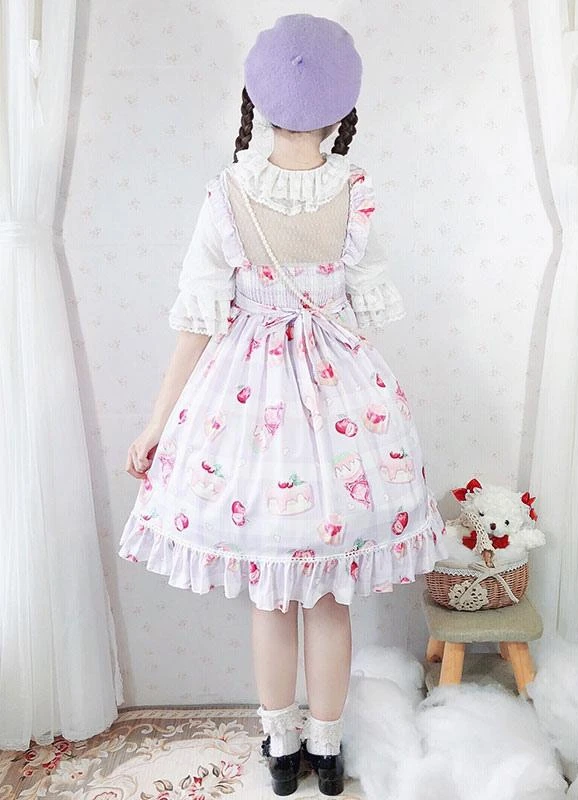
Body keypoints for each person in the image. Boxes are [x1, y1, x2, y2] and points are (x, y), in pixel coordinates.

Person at [119, 13, 449, 797]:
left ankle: (280, 746)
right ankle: (326, 751)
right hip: (342, 408)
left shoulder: (227, 192)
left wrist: (158, 422)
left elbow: (198, 322)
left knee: (273, 597)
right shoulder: (356, 192)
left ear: (257, 99)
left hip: (246, 410)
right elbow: (361, 316)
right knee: (329, 596)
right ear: (343, 108)